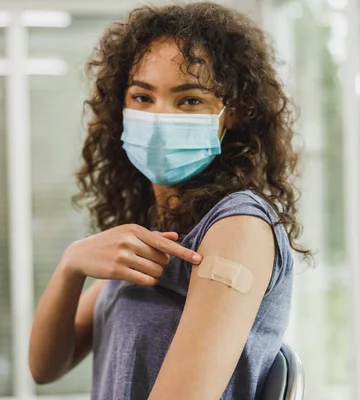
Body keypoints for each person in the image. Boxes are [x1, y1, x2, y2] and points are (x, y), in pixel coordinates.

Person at [29, 3, 310, 399]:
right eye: (143, 97)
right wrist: (72, 264)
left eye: (190, 100)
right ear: (121, 106)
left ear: (233, 113)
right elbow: (44, 366)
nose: (160, 117)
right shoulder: (157, 230)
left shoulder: (238, 227)